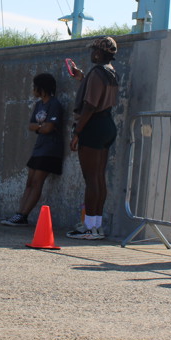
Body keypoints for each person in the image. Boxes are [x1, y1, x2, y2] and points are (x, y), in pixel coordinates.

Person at [66, 37, 119, 240]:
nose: (91, 53)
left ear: (98, 53)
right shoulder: (111, 72)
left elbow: (90, 105)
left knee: (91, 179)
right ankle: (96, 226)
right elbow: (99, 94)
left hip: (93, 125)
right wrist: (82, 78)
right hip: (107, 124)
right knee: (98, 178)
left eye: (93, 50)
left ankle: (88, 228)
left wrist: (77, 132)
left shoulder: (97, 72)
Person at [0, 73, 64, 227]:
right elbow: (31, 125)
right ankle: (19, 214)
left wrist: (39, 127)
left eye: (35, 86)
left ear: (42, 88)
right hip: (39, 148)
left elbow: (49, 128)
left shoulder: (54, 104)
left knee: (37, 182)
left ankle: (23, 215)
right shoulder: (39, 105)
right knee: (29, 182)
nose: (33, 89)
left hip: (50, 149)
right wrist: (41, 126)